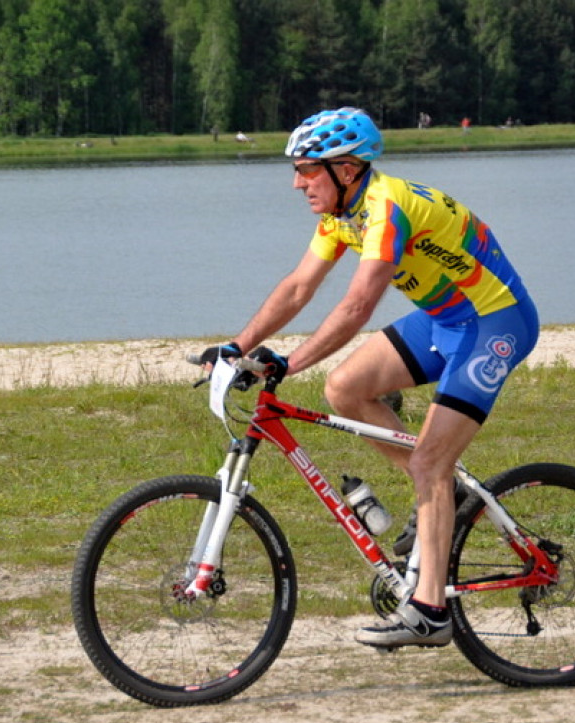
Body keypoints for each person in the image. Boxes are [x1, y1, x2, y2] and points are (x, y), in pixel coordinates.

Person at [199, 108, 538, 649]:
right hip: (444, 319)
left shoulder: (386, 207)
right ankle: (438, 492)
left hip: (495, 321)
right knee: (345, 389)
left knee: (429, 459)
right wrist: (235, 347)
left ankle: (430, 613)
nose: (297, 182)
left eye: (307, 170)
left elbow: (358, 306)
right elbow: (297, 289)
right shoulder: (342, 216)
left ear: (347, 169)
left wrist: (289, 361)